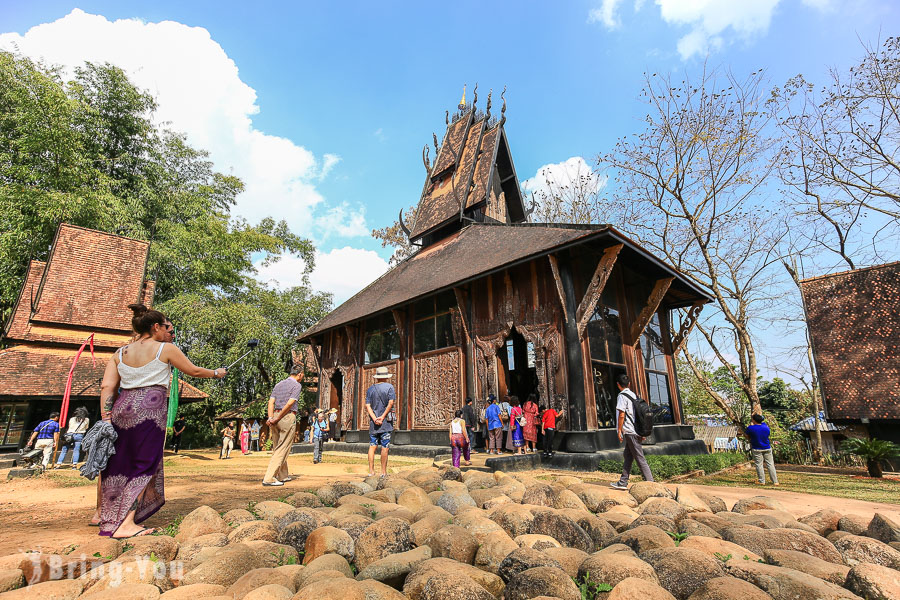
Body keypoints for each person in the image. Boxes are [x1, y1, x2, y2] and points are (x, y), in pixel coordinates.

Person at [95, 303, 225, 538]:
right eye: (167, 327)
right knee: (143, 464)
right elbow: (193, 371)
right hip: (149, 410)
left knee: (119, 463)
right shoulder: (165, 349)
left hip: (121, 409)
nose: (169, 332)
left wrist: (106, 419)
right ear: (155, 326)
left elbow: (107, 386)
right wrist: (216, 373)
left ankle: (109, 517)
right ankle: (125, 523)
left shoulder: (120, 353)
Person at [610, 373, 653, 490]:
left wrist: (619, 430)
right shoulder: (634, 395)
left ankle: (652, 484)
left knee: (639, 458)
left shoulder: (622, 396)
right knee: (628, 456)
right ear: (629, 384)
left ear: (618, 385)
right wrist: (641, 431)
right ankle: (623, 482)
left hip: (629, 431)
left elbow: (621, 414)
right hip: (636, 430)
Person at [262, 365, 303, 487]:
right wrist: (279, 417)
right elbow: (290, 403)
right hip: (286, 416)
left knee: (277, 447)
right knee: (283, 448)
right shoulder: (296, 385)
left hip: (275, 415)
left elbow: (271, 402)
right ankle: (269, 477)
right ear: (299, 374)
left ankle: (283, 475)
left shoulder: (279, 384)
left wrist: (271, 418)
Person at [365, 366, 395, 477]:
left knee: (372, 445)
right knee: (385, 446)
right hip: (385, 422)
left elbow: (367, 406)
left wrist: (374, 418)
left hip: (374, 423)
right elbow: (390, 403)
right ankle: (383, 472)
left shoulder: (370, 389)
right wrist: (382, 417)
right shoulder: (389, 387)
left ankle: (371, 471)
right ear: (386, 377)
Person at [745, 414, 779, 486]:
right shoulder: (766, 427)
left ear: (753, 420)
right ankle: (775, 481)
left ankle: (762, 481)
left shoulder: (750, 428)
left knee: (759, 465)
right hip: (767, 447)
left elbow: (747, 436)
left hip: (757, 448)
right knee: (770, 464)